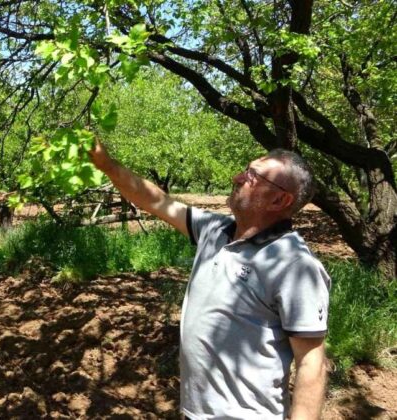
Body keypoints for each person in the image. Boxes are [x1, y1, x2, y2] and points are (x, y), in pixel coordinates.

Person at [89, 141, 330, 420]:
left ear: (280, 200)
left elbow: (312, 362)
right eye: (245, 170)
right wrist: (106, 164)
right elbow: (155, 200)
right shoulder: (215, 230)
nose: (238, 178)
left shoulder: (295, 267)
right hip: (195, 412)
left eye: (253, 176)